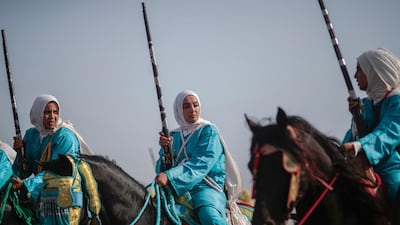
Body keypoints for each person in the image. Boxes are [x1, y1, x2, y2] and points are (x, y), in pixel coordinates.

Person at [11, 94, 99, 225]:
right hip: (41, 193)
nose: (52, 116)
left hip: (64, 195)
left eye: (55, 112)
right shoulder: (31, 135)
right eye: (47, 112)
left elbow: (56, 171)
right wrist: (21, 154)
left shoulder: (65, 136)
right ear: (38, 113)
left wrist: (28, 185)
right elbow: (24, 171)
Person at [155, 90, 229, 225]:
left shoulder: (209, 131)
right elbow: (163, 169)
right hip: (177, 189)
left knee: (209, 217)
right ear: (179, 110)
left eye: (195, 105)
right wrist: (164, 151)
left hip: (206, 188)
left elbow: (200, 164)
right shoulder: (174, 135)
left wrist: (169, 176)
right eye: (186, 106)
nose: (193, 110)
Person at [342, 48, 400, 207]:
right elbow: (353, 137)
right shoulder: (367, 104)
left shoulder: (397, 102)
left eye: (359, 70)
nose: (355, 76)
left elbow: (387, 133)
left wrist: (358, 146)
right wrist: (357, 115)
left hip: (393, 170)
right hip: (363, 167)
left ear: (374, 71)